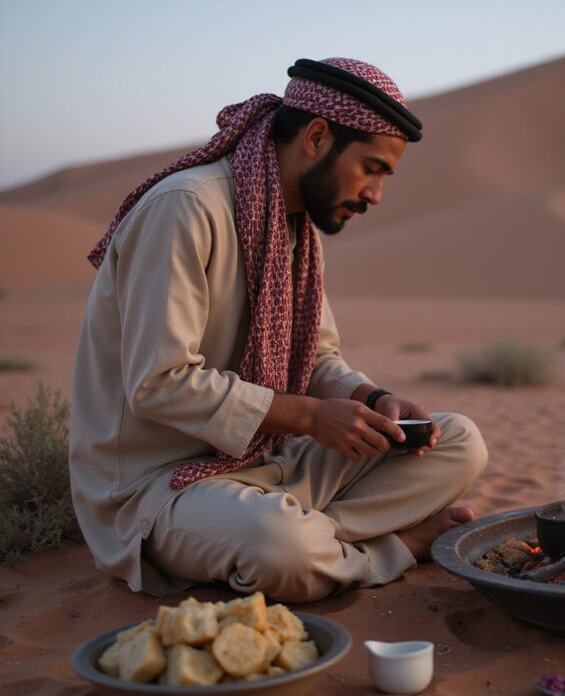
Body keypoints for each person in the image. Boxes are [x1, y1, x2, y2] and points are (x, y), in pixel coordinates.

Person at [69, 57, 488, 602]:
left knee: (459, 442)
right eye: (371, 168)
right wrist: (311, 416)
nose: (375, 195)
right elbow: (159, 382)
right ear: (317, 137)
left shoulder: (293, 229)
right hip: (159, 488)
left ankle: (311, 538)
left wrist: (372, 398)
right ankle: (392, 547)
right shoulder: (187, 209)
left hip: (268, 462)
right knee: (278, 544)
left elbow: (315, 361)